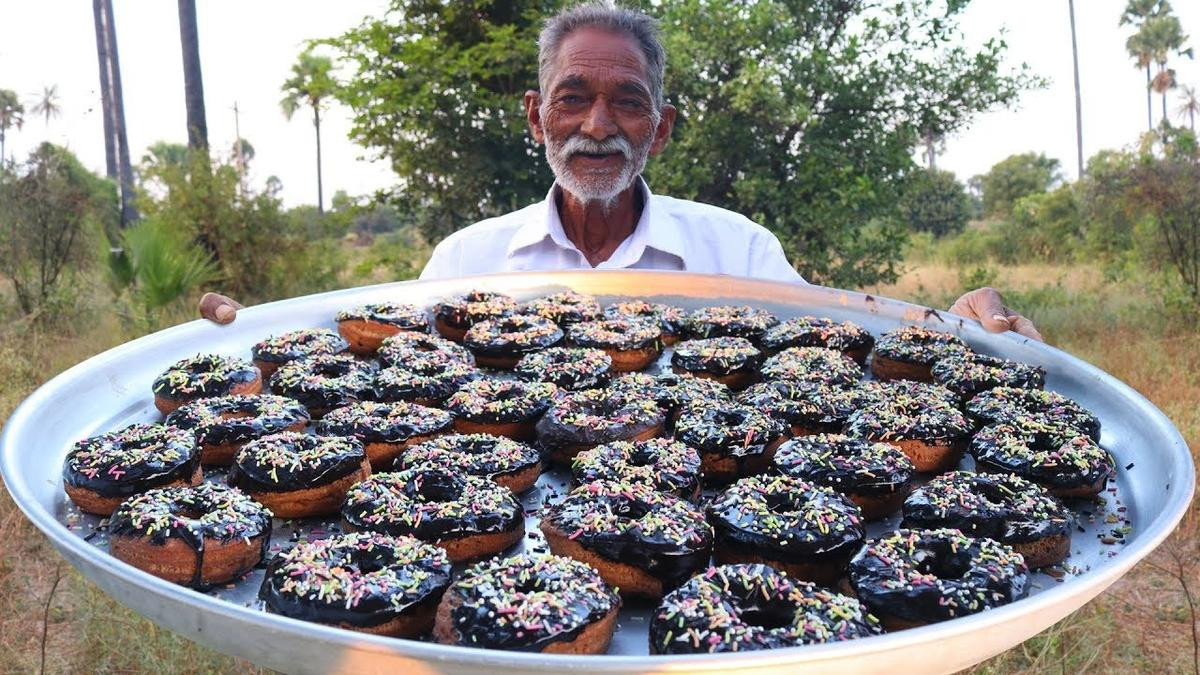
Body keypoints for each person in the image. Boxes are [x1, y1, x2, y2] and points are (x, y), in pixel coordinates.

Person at [200, 2, 1041, 341]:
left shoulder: (737, 253)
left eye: (628, 104)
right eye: (572, 99)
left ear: (661, 129)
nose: (598, 127)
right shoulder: (464, 263)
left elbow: (836, 340)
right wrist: (257, 336)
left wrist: (957, 324)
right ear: (537, 119)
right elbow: (373, 373)